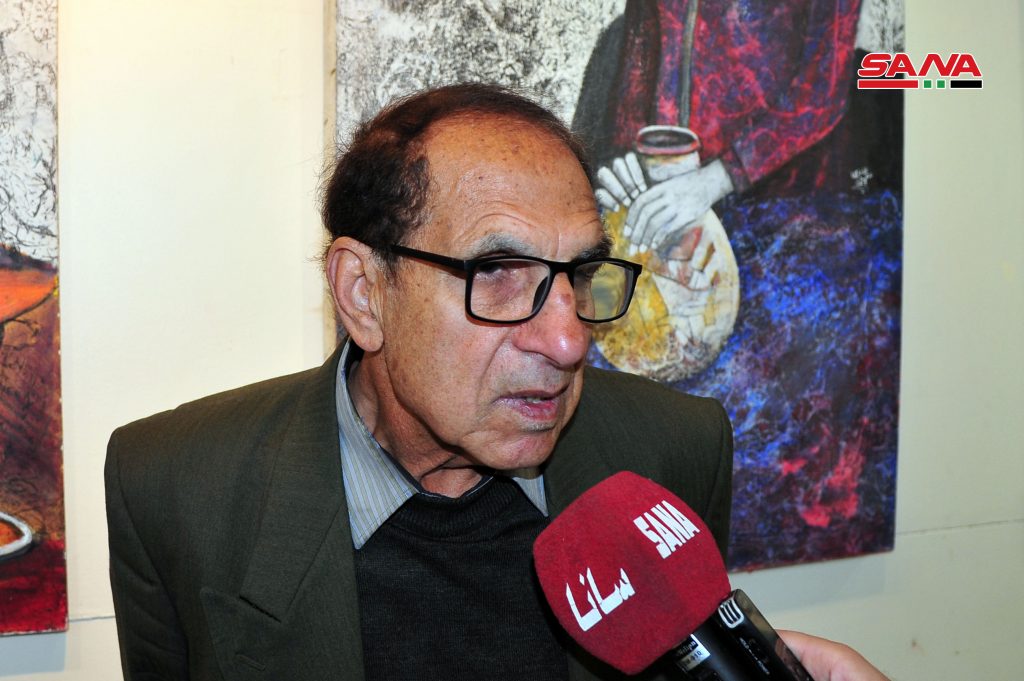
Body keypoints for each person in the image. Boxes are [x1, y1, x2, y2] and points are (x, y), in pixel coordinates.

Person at [105, 83, 883, 681]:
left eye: (580, 273)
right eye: (499, 272)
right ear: (363, 294)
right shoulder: (174, 487)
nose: (568, 340)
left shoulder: (673, 448)